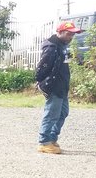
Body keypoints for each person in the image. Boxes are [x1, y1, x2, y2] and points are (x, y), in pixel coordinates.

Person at [35, 21, 83, 154]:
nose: (71, 37)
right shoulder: (52, 47)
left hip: (62, 86)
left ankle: (52, 138)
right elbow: (42, 68)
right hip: (54, 86)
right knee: (51, 114)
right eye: (68, 34)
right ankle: (44, 142)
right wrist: (42, 83)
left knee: (63, 113)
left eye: (73, 35)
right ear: (59, 32)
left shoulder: (62, 46)